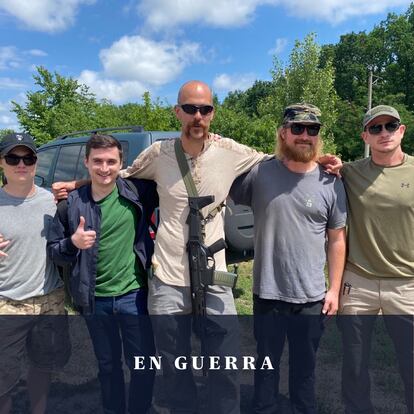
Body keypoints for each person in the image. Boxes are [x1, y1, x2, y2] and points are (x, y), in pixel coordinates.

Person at [230, 103, 347, 414]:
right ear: (283, 133)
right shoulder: (259, 173)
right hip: (268, 293)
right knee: (266, 366)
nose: (305, 135)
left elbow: (337, 238)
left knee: (305, 369)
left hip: (311, 296)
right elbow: (218, 183)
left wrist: (334, 289)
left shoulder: (331, 180)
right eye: (297, 128)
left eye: (313, 129)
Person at [47, 134, 157, 414]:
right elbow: (54, 252)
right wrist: (73, 243)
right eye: (97, 161)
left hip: (134, 296)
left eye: (111, 161)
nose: (104, 168)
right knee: (108, 366)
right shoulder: (69, 205)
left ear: (122, 163)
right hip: (94, 299)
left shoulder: (137, 191)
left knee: (143, 364)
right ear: (86, 162)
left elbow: (175, 179)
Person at [338, 105, 414, 414]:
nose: (383, 133)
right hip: (359, 282)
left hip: (407, 284)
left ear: (402, 130)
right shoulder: (350, 172)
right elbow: (311, 164)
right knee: (354, 365)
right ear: (365, 136)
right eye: (375, 128)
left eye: (390, 125)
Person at [0, 133, 70, 414]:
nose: (21, 164)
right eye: (13, 158)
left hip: (48, 301)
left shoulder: (52, 202)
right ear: (1, 163)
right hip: (7, 302)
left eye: (27, 158)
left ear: (36, 162)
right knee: (3, 378)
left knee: (43, 366)